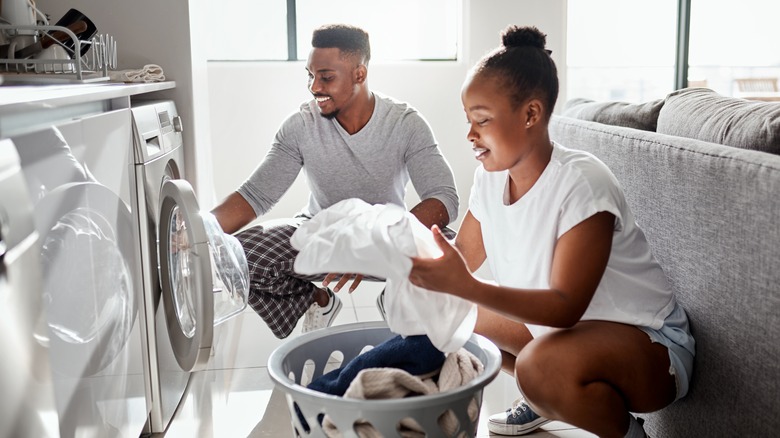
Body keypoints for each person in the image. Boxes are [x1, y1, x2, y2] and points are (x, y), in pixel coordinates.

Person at [408, 25, 695, 438]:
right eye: (468, 120)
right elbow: (461, 257)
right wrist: (389, 257)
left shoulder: (581, 184)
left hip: (652, 346)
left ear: (531, 114)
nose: (470, 134)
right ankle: (546, 397)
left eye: (482, 120)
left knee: (536, 366)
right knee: (450, 311)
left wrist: (466, 286)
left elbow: (565, 307)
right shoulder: (490, 179)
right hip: (567, 338)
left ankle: (621, 429)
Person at [211, 24, 459, 339]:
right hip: (320, 235)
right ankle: (318, 301)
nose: (314, 87)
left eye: (326, 77)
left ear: (359, 74)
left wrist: (373, 241)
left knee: (452, 248)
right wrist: (200, 228)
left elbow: (443, 198)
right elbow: (254, 196)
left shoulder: (405, 123)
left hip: (385, 239)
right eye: (310, 76)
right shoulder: (301, 126)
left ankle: (398, 296)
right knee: (238, 254)